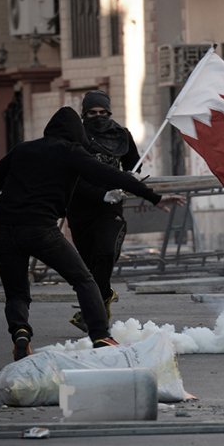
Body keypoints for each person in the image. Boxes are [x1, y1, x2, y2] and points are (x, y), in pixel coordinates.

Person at [0, 106, 184, 361]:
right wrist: (155, 197)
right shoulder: (71, 151)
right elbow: (113, 175)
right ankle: (100, 335)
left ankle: (21, 334)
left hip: (2, 227)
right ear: (77, 132)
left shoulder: (23, 149)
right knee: (83, 280)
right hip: (40, 228)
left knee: (16, 291)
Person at [66, 90, 141, 332]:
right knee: (89, 265)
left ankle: (92, 314)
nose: (98, 117)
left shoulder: (121, 135)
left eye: (102, 112)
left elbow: (134, 165)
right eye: (92, 113)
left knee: (106, 253)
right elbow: (72, 176)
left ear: (109, 113)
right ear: (84, 114)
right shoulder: (75, 137)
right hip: (80, 209)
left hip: (111, 207)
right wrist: (99, 193)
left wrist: (131, 178)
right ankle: (103, 297)